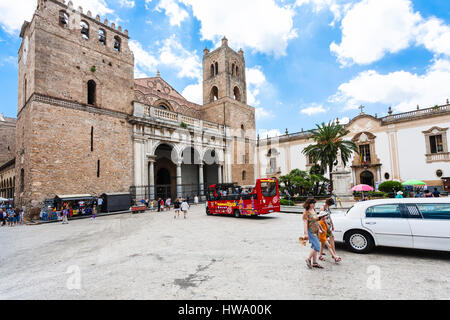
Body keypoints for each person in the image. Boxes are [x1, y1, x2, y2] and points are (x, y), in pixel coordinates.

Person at [302, 198, 324, 269]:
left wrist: (321, 228)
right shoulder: (306, 212)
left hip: (316, 231)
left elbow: (317, 220)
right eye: (313, 204)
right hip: (311, 231)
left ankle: (315, 263)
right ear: (309, 204)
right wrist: (306, 234)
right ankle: (308, 259)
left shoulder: (314, 210)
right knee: (317, 246)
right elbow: (305, 223)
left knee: (314, 246)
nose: (314, 205)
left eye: (314, 204)